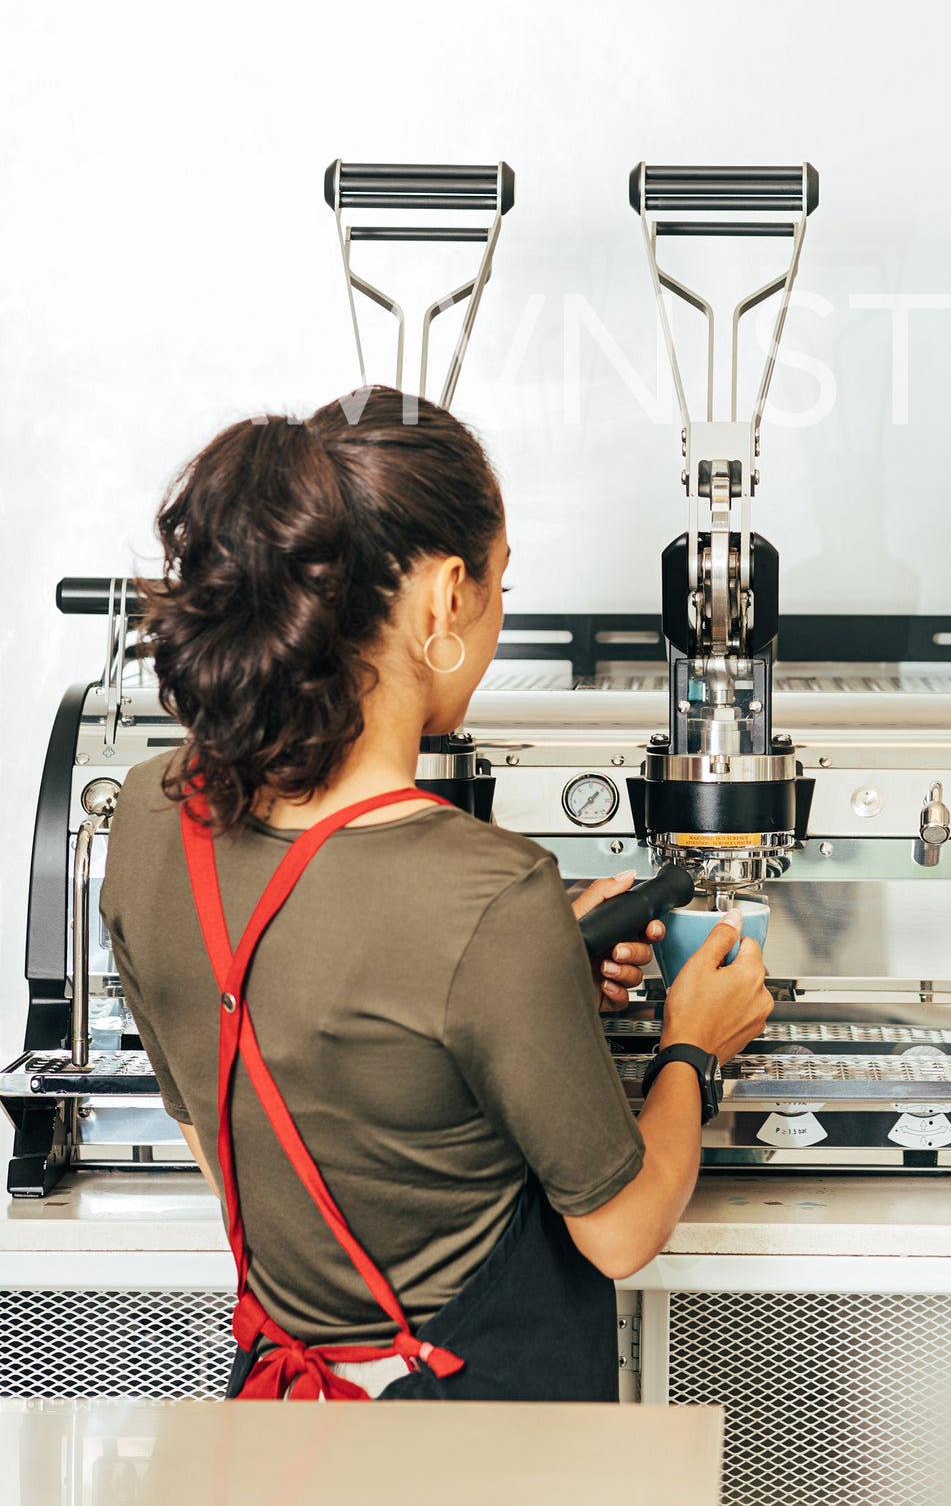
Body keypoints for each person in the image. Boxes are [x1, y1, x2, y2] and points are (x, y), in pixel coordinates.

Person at [99, 384, 772, 1402]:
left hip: (285, 1429)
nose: (496, 616)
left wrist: (534, 976)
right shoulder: (491, 894)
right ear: (444, 596)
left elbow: (234, 1136)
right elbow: (623, 1232)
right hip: (472, 1445)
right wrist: (690, 1042)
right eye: (500, 585)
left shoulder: (151, 814)